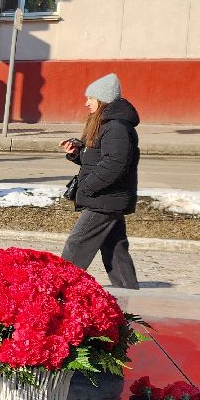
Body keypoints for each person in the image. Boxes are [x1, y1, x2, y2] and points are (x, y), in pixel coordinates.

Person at [60, 74, 140, 291]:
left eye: (91, 98)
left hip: (105, 199)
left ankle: (59, 291)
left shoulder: (116, 127)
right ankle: (130, 296)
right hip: (108, 197)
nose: (86, 103)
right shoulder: (106, 125)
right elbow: (99, 159)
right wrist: (77, 153)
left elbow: (115, 164)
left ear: (103, 99)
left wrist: (87, 187)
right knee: (115, 250)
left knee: (77, 244)